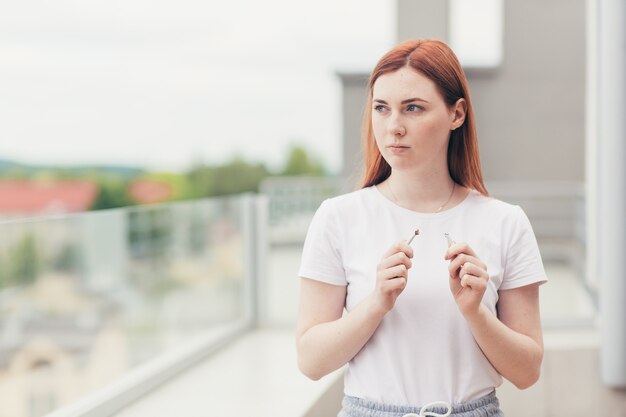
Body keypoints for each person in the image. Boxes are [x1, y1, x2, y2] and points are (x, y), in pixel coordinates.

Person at [295, 39, 547, 417]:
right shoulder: (338, 218)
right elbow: (311, 361)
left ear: (456, 114)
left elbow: (527, 371)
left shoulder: (505, 223)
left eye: (412, 108)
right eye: (382, 108)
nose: (394, 126)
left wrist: (476, 312)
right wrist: (376, 303)